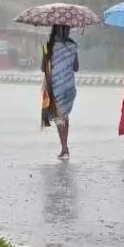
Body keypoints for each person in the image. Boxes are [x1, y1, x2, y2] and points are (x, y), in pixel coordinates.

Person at [41, 24, 79, 160]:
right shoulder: (73, 45)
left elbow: (43, 68)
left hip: (56, 85)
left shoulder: (49, 46)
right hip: (69, 85)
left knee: (59, 117)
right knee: (65, 116)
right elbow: (76, 67)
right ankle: (65, 146)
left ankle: (64, 148)